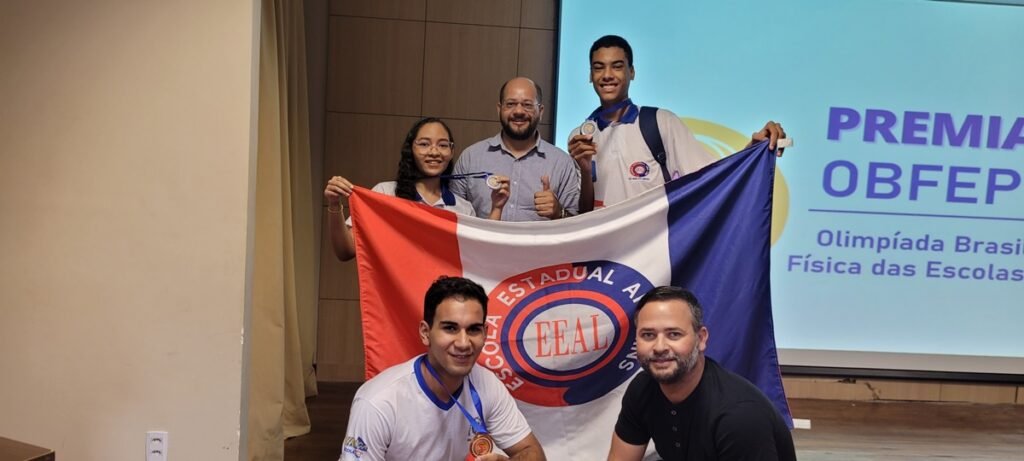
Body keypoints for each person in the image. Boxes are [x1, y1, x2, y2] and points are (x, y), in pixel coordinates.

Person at [569, 35, 788, 211]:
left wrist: (753, 150)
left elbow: (712, 177)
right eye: (599, 67)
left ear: (632, 72)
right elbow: (583, 215)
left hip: (654, 249)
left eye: (617, 66)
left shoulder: (659, 122)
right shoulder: (579, 138)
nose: (607, 75)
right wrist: (585, 171)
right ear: (590, 75)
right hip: (604, 253)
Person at [339, 276, 547, 461]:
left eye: (473, 329)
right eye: (450, 328)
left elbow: (533, 452)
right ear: (425, 332)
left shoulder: (487, 384)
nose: (463, 343)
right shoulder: (378, 402)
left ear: (485, 333)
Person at [608, 286, 795, 461]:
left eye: (674, 334)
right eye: (648, 335)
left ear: (701, 338)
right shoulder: (642, 388)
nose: (659, 347)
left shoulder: (739, 417)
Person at [324, 117, 510, 260]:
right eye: (424, 144)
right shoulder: (385, 194)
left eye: (442, 145)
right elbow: (346, 251)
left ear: (451, 151)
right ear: (410, 149)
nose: (434, 152)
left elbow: (480, 257)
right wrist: (334, 204)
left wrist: (497, 207)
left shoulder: (462, 208)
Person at [451, 77, 582, 221]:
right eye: (511, 104)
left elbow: (575, 223)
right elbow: (452, 217)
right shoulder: (471, 158)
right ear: (499, 109)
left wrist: (559, 212)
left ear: (541, 111)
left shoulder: (562, 163)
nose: (519, 111)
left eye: (527, 105)